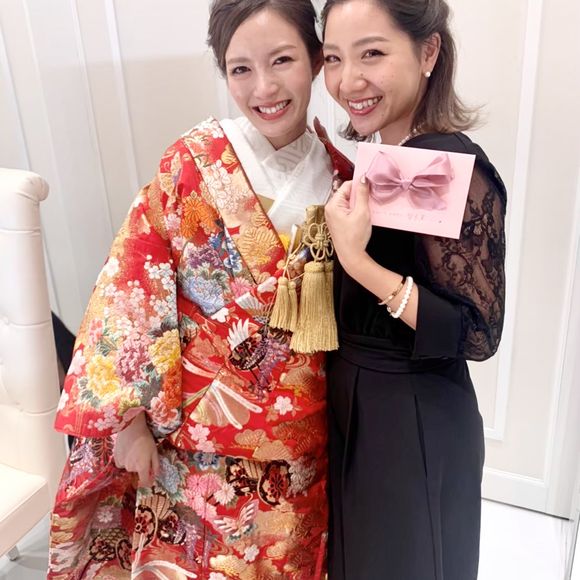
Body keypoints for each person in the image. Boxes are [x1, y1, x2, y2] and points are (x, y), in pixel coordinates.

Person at [47, 1, 351, 577]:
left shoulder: (341, 181)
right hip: (188, 448)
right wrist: (130, 424)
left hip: (295, 457)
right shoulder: (191, 163)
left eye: (282, 60)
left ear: (315, 60)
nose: (263, 88)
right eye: (241, 69)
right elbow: (131, 290)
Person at [321, 1, 507, 579]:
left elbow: (476, 333)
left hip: (412, 417)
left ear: (428, 51)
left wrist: (357, 261)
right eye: (333, 58)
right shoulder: (382, 159)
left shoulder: (444, 163)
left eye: (372, 53)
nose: (348, 80)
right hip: (357, 407)